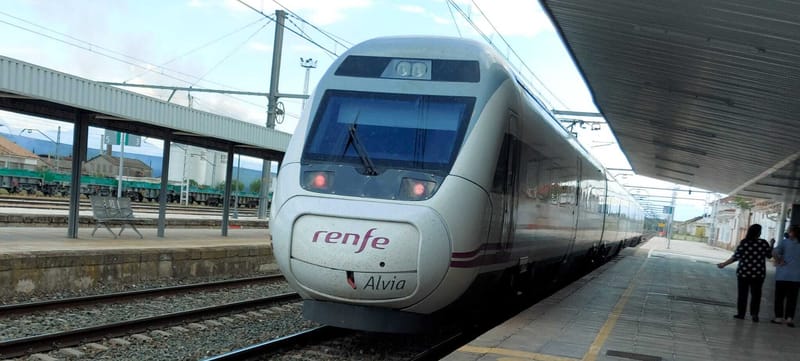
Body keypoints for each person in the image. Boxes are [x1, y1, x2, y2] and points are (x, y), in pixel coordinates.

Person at [717, 224, 772, 322]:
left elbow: (736, 257)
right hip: (758, 274)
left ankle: (741, 314)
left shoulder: (744, 242)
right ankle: (754, 314)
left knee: (743, 294)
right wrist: (771, 244)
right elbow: (769, 255)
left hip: (744, 273)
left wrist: (724, 264)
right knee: (756, 294)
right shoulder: (763, 243)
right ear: (759, 232)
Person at [772, 225, 800, 327]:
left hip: (782, 275)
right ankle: (789, 319)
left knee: (779, 297)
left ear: (792, 232)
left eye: (788, 230)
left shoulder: (785, 242)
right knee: (792, 298)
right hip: (796, 277)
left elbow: (774, 252)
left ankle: (778, 318)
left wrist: (779, 260)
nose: (787, 232)